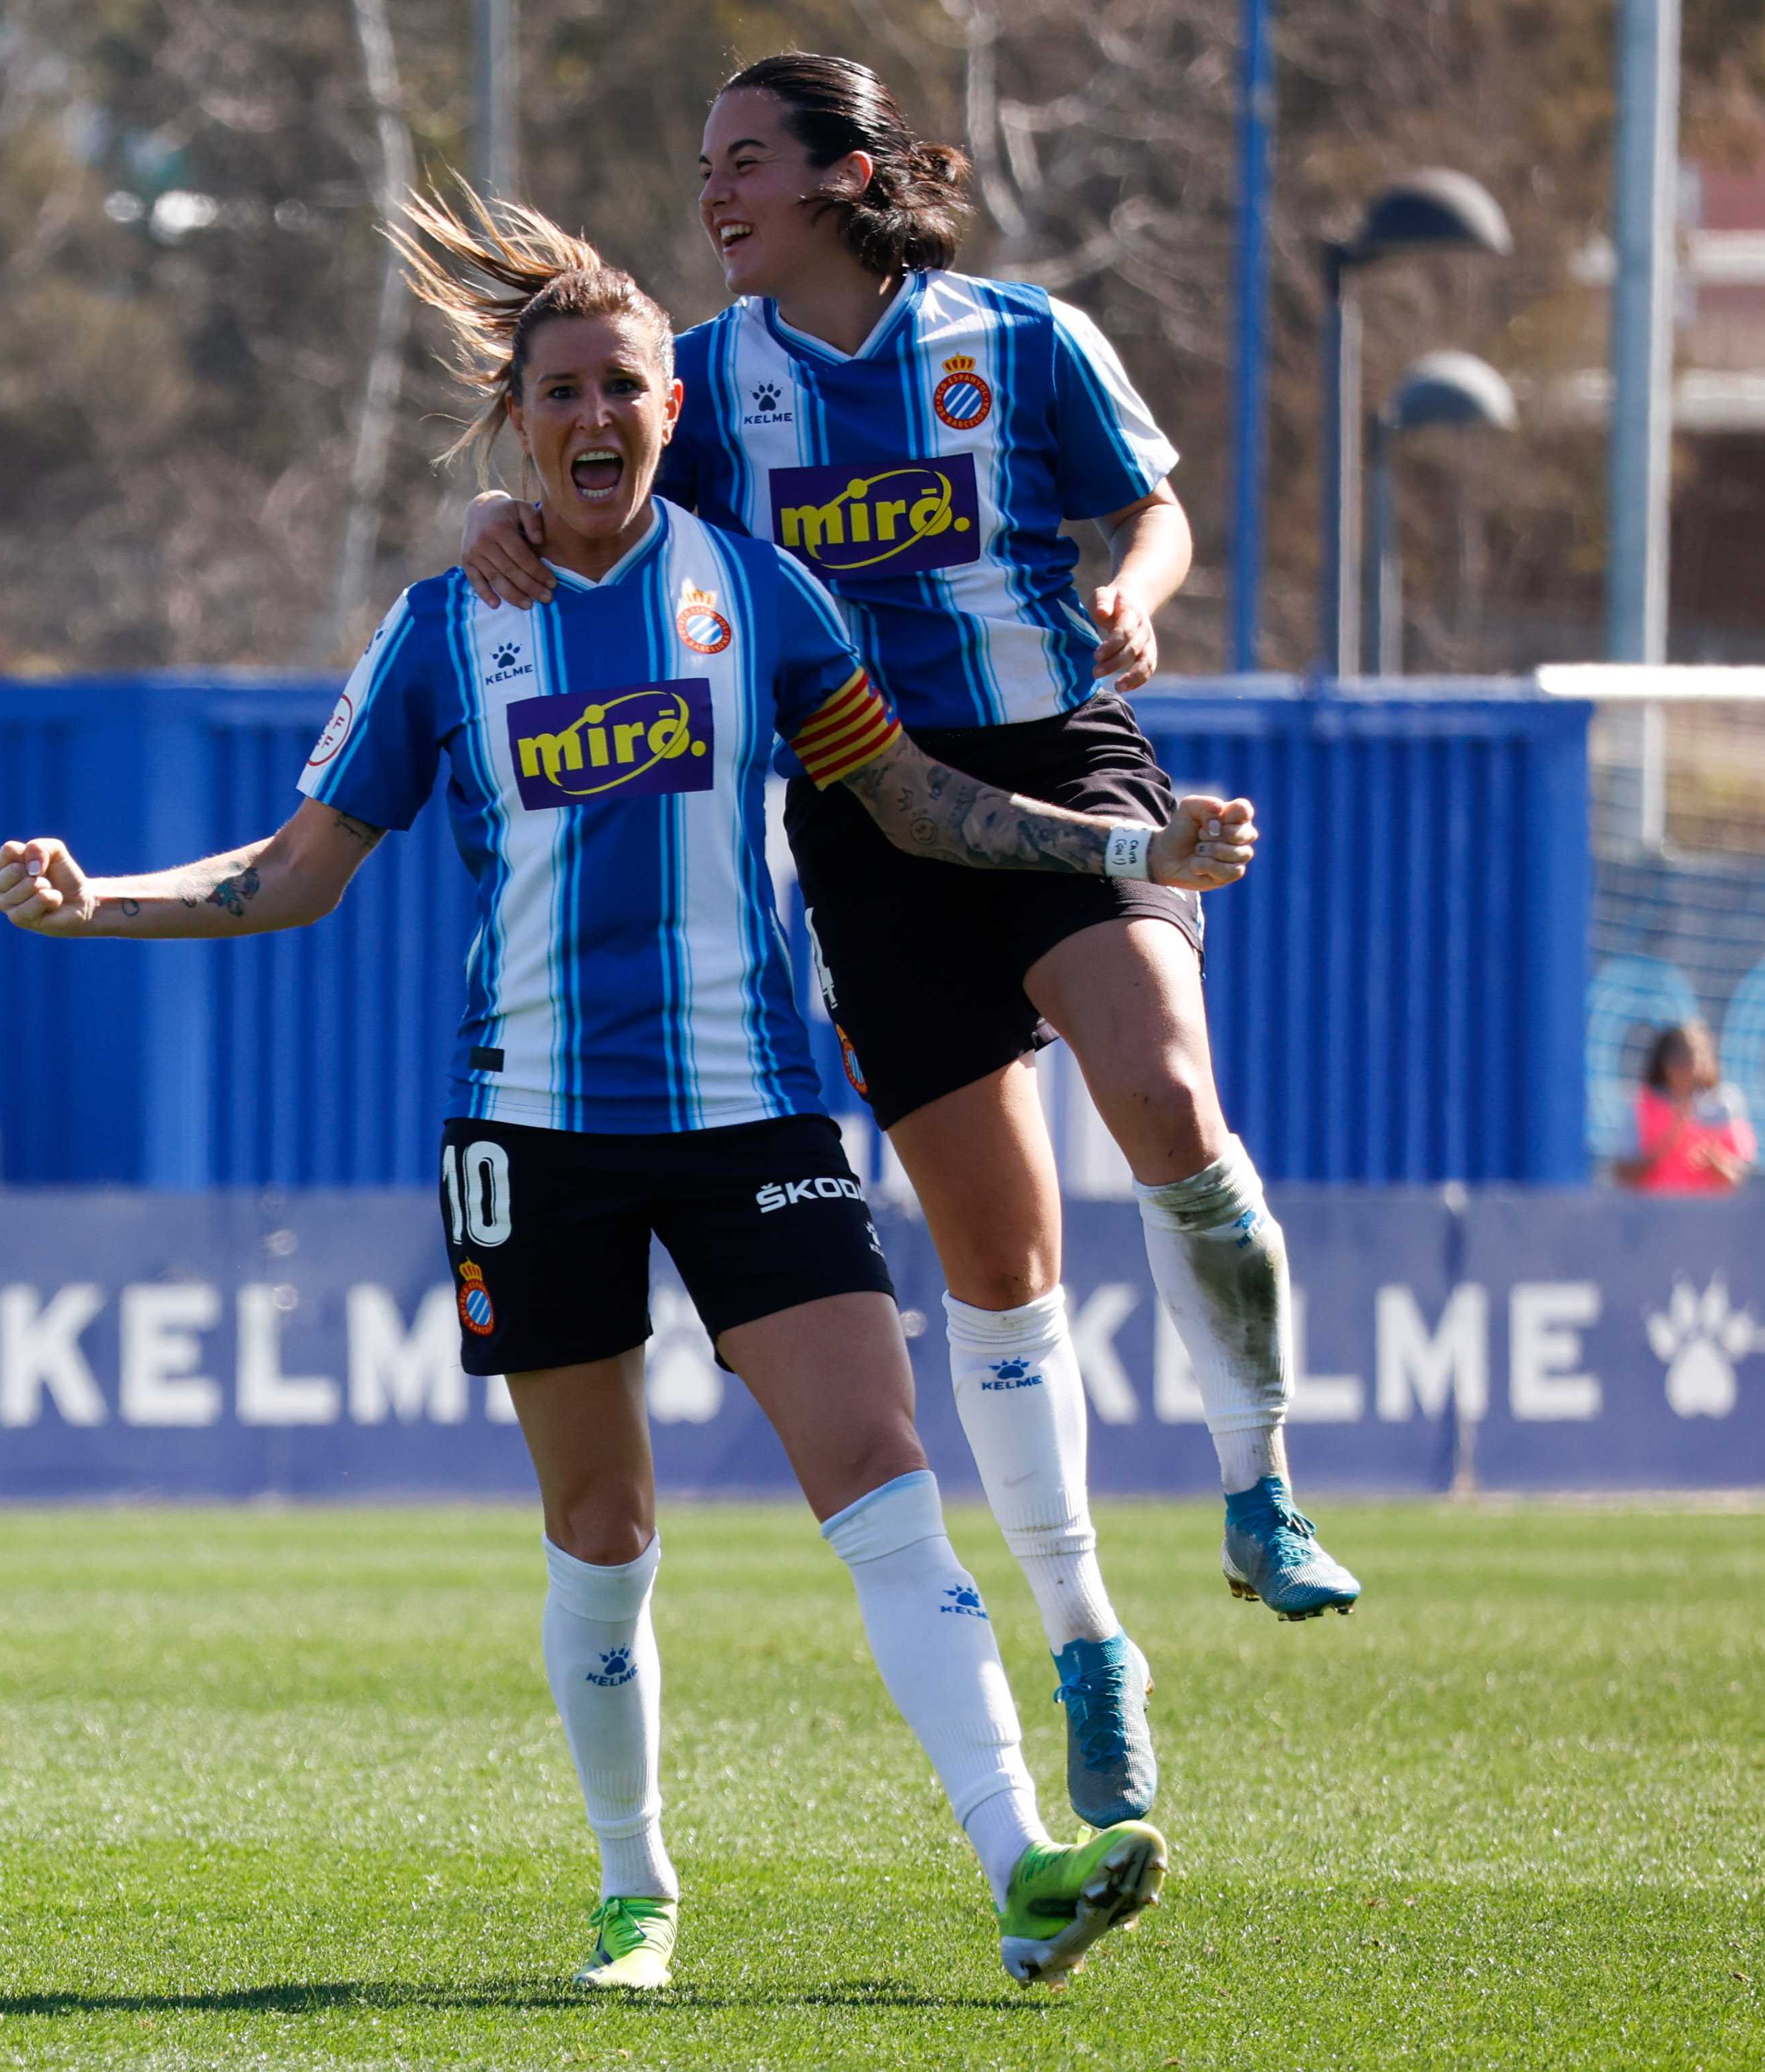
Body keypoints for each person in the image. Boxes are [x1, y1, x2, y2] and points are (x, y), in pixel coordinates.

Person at [0, 187, 1258, 1992]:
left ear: (675, 410)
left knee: (882, 1472)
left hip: (754, 1119)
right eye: (561, 391)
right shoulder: (446, 628)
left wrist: (1129, 845)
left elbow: (913, 804)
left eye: (622, 388)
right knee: (603, 1529)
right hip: (533, 1136)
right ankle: (632, 1886)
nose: (594, 416)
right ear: (516, 425)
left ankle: (1021, 1859)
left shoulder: (761, 592)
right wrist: (94, 901)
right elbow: (293, 871)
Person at [458, 50, 1362, 1835]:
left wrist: (1136, 590)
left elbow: (1152, 506)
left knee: (1164, 1095)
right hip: (869, 826)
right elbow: (590, 486)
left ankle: (1258, 1482)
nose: (713, 193)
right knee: (996, 1262)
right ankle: (1086, 1635)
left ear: (845, 177)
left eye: (743, 161)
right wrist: (500, 516)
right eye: (702, 164)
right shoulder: (701, 381)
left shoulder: (1018, 339)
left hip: (1055, 762)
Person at [1625, 1022, 1754, 1194]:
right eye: (1677, 1058)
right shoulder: (1642, 1104)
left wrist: (1718, 1163)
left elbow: (1742, 1177)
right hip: (1656, 1207)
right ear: (1662, 1062)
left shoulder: (1726, 1102)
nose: (1685, 1066)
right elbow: (1623, 1176)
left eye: (1692, 1057)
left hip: (1711, 1209)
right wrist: (1666, 1143)